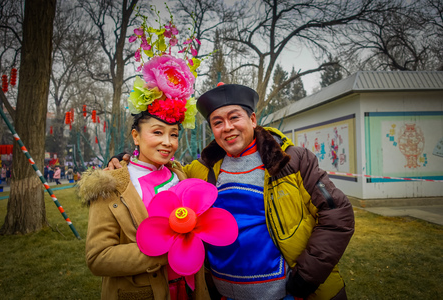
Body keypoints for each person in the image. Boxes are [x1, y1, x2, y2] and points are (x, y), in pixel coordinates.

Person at [109, 83, 355, 300]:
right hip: (223, 293)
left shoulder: (292, 161)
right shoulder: (202, 169)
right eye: (217, 122)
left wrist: (307, 276)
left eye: (234, 117)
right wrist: (127, 160)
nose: (227, 128)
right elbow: (162, 170)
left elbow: (338, 215)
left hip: (287, 292)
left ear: (253, 120)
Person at [77, 15, 210, 300]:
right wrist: (164, 251)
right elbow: (98, 257)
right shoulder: (111, 183)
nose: (167, 142)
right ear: (136, 136)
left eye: (174, 134)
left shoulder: (181, 175)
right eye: (157, 132)